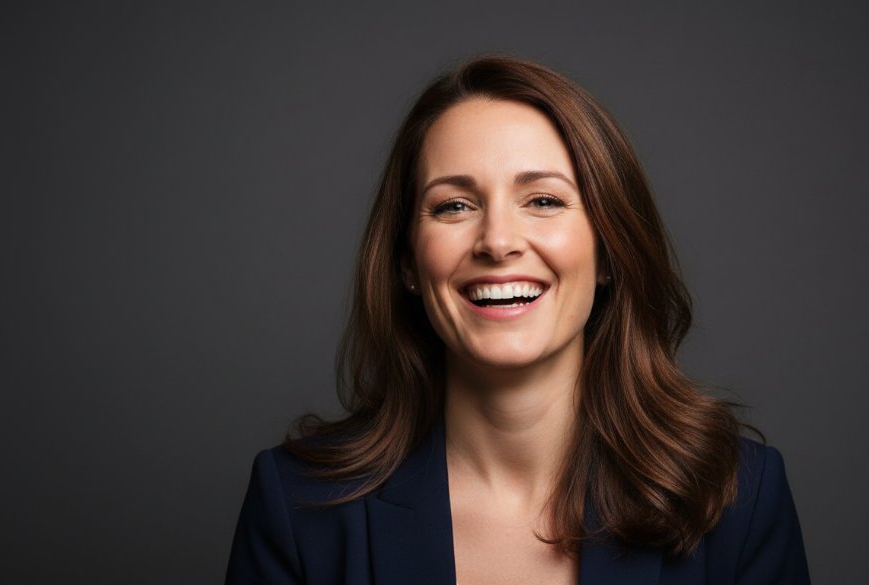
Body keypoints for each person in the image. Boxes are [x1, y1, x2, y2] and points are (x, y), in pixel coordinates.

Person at [225, 55, 810, 585]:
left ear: (609, 251)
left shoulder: (738, 498)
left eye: (544, 200)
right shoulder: (299, 505)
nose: (498, 241)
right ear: (407, 261)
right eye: (454, 205)